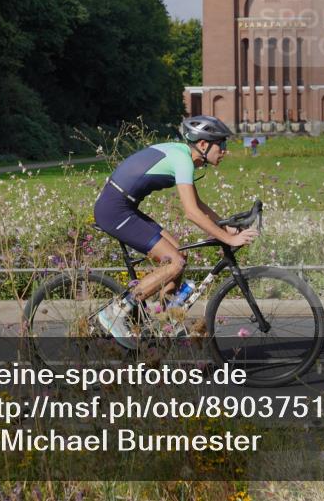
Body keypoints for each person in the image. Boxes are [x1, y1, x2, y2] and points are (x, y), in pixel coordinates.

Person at [93, 115, 259, 347]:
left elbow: (197, 203)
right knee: (175, 264)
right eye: (221, 144)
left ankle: (166, 319)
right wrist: (228, 238)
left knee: (179, 254)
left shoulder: (183, 155)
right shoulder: (183, 161)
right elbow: (191, 213)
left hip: (122, 206)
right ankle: (115, 313)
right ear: (203, 145)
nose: (224, 151)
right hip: (115, 211)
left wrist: (225, 225)